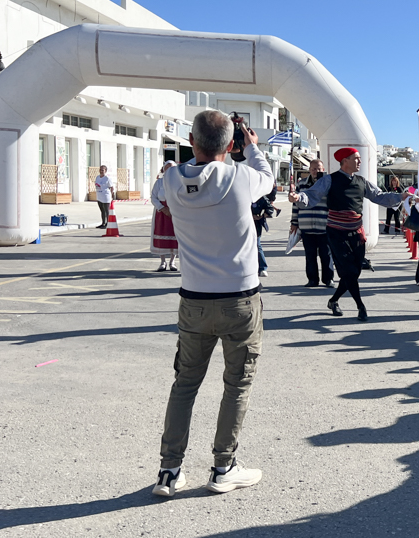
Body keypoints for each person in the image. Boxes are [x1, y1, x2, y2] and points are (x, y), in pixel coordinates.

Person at [152, 110, 273, 497]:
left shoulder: (170, 180)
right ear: (233, 145)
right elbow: (268, 179)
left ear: (191, 141)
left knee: (185, 383)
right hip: (240, 298)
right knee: (236, 384)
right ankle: (224, 466)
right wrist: (251, 148)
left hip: (194, 299)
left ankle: (169, 471)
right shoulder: (242, 176)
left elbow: (161, 197)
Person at [293, 148, 409, 321]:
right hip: (335, 233)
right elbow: (312, 195)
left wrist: (401, 196)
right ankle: (360, 306)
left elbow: (379, 196)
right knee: (348, 271)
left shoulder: (362, 182)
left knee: (353, 273)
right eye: (356, 158)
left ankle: (333, 300)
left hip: (356, 233)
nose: (359, 161)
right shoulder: (329, 180)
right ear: (345, 161)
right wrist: (298, 198)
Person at [289, 160, 334, 288]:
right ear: (309, 170)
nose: (316, 171)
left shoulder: (328, 184)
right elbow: (295, 205)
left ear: (323, 169)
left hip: (324, 225)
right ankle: (312, 280)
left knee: (326, 255)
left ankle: (328, 279)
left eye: (319, 169)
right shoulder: (302, 184)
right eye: (314, 169)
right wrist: (294, 222)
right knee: (310, 255)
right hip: (306, 226)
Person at [149, 161, 179, 272]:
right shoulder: (159, 183)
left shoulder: (179, 182)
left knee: (175, 236)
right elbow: (153, 197)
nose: (169, 170)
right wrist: (162, 208)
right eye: (167, 168)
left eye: (172, 168)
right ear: (163, 170)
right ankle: (162, 262)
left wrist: (174, 208)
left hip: (175, 213)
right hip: (161, 213)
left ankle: (172, 262)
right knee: (161, 234)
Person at [252, 186, 274, 277]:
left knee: (257, 245)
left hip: (256, 225)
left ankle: (262, 268)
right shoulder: (244, 195)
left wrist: (262, 215)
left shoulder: (261, 198)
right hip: (242, 224)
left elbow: (270, 209)